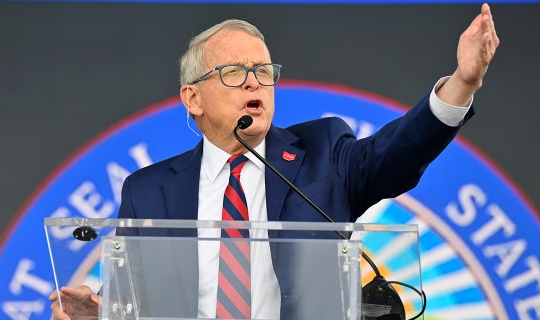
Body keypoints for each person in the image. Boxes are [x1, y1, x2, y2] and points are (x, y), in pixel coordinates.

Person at [50, 3, 499, 319]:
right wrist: (99, 314)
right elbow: (135, 297)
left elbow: (398, 153)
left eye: (263, 72)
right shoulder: (148, 190)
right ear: (193, 98)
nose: (254, 84)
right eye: (234, 73)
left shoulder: (323, 153)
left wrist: (462, 82)